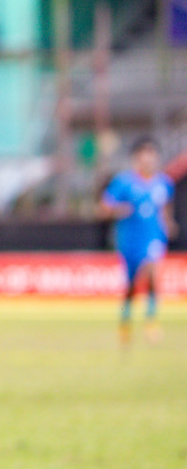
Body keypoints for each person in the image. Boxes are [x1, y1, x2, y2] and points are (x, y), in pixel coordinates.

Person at [101, 137, 176, 346]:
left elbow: (165, 206)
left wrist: (168, 223)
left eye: (152, 154)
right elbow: (105, 207)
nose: (149, 158)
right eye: (144, 154)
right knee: (132, 285)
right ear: (136, 158)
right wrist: (119, 210)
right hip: (129, 240)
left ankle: (151, 321)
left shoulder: (164, 183)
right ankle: (125, 321)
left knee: (153, 271)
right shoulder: (124, 182)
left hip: (153, 238)